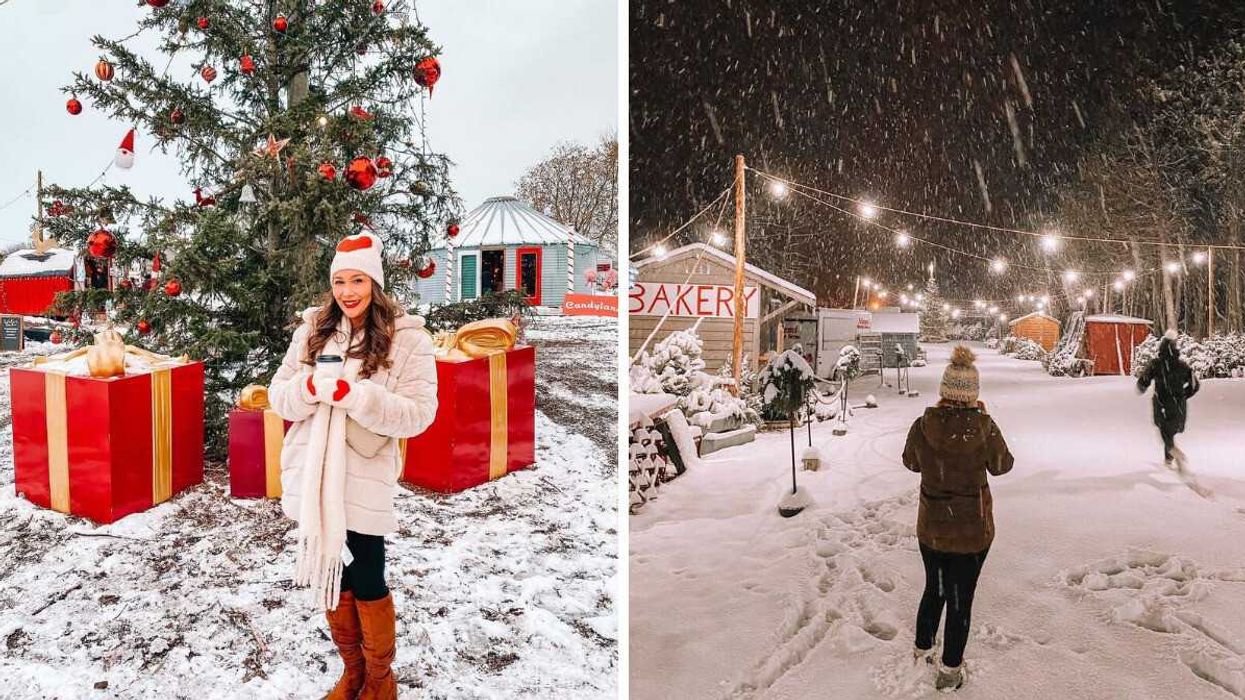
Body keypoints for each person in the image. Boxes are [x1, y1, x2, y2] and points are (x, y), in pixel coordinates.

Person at [268, 231, 438, 700]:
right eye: (340, 281)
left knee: (366, 571)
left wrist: (356, 397)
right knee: (334, 573)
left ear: (375, 283)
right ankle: (353, 673)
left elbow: (420, 413)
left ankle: (381, 680)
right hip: (315, 472)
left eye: (357, 280)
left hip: (362, 474)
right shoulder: (313, 330)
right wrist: (307, 390)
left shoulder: (407, 339)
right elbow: (279, 394)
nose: (347, 291)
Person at [902, 345, 1013, 692]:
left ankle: (923, 647)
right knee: (960, 598)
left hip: (932, 528)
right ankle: (950, 670)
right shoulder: (983, 427)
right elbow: (1002, 465)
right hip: (972, 532)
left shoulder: (924, 425)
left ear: (944, 390)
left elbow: (910, 462)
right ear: (973, 394)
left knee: (934, 589)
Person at [1136, 329, 1200, 470]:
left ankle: (1171, 451)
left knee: (1164, 429)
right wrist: (1183, 395)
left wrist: (1142, 386)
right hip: (1179, 405)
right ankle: (1169, 460)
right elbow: (1195, 385)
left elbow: (1143, 381)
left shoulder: (1156, 364)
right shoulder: (1183, 366)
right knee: (1171, 430)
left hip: (1162, 403)